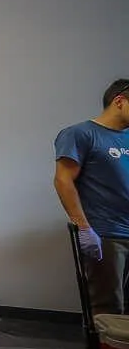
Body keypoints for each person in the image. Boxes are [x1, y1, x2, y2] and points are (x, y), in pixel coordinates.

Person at [54, 78, 129, 315]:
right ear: (119, 101)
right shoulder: (80, 134)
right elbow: (63, 180)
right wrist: (84, 229)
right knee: (108, 309)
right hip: (108, 235)